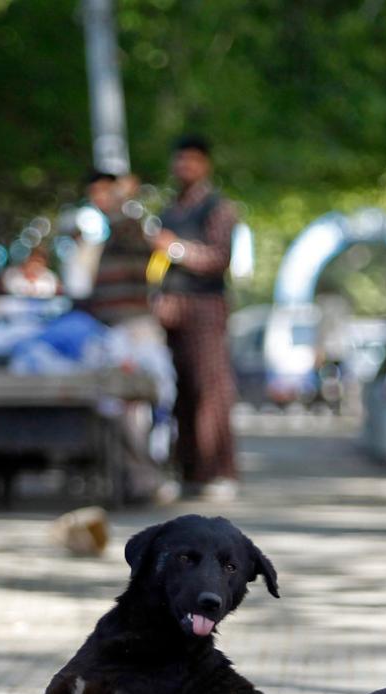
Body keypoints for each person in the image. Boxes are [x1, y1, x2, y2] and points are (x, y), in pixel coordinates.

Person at [152, 135, 240, 500]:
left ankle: (218, 472)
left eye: (191, 160)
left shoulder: (218, 208)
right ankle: (188, 470)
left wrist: (175, 249)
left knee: (210, 391)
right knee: (180, 393)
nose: (183, 167)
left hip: (205, 309)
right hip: (171, 311)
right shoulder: (169, 209)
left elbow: (218, 258)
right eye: (179, 160)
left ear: (205, 164)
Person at [80, 171, 153, 325]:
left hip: (133, 321)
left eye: (107, 190)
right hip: (109, 321)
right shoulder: (104, 234)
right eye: (94, 191)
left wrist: (122, 198)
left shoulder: (129, 226)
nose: (100, 196)